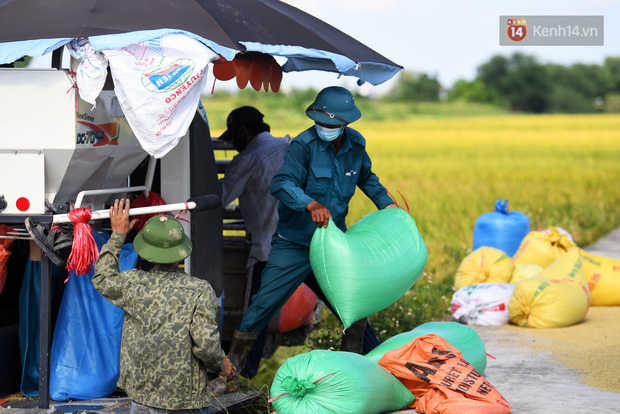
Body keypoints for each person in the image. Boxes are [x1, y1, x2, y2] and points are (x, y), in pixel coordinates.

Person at [225, 86, 397, 375]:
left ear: (345, 124)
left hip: (332, 243)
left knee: (352, 305)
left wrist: (387, 204)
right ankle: (233, 373)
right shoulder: (303, 145)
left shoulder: (356, 145)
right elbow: (281, 183)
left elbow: (367, 178)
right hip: (293, 245)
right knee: (261, 306)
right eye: (320, 122)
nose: (323, 129)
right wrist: (309, 203)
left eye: (330, 125)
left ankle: (359, 369)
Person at [93, 199, 234, 414]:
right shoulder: (199, 290)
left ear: (145, 252)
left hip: (142, 397)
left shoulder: (132, 284)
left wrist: (117, 236)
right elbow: (206, 345)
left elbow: (103, 277)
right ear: (183, 250)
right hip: (184, 401)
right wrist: (220, 363)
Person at [217, 106, 290, 379]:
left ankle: (244, 377)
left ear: (243, 132)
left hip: (268, 252)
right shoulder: (289, 147)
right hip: (306, 246)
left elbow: (219, 200)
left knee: (254, 316)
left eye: (234, 138)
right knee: (341, 303)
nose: (234, 145)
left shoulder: (248, 158)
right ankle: (376, 353)